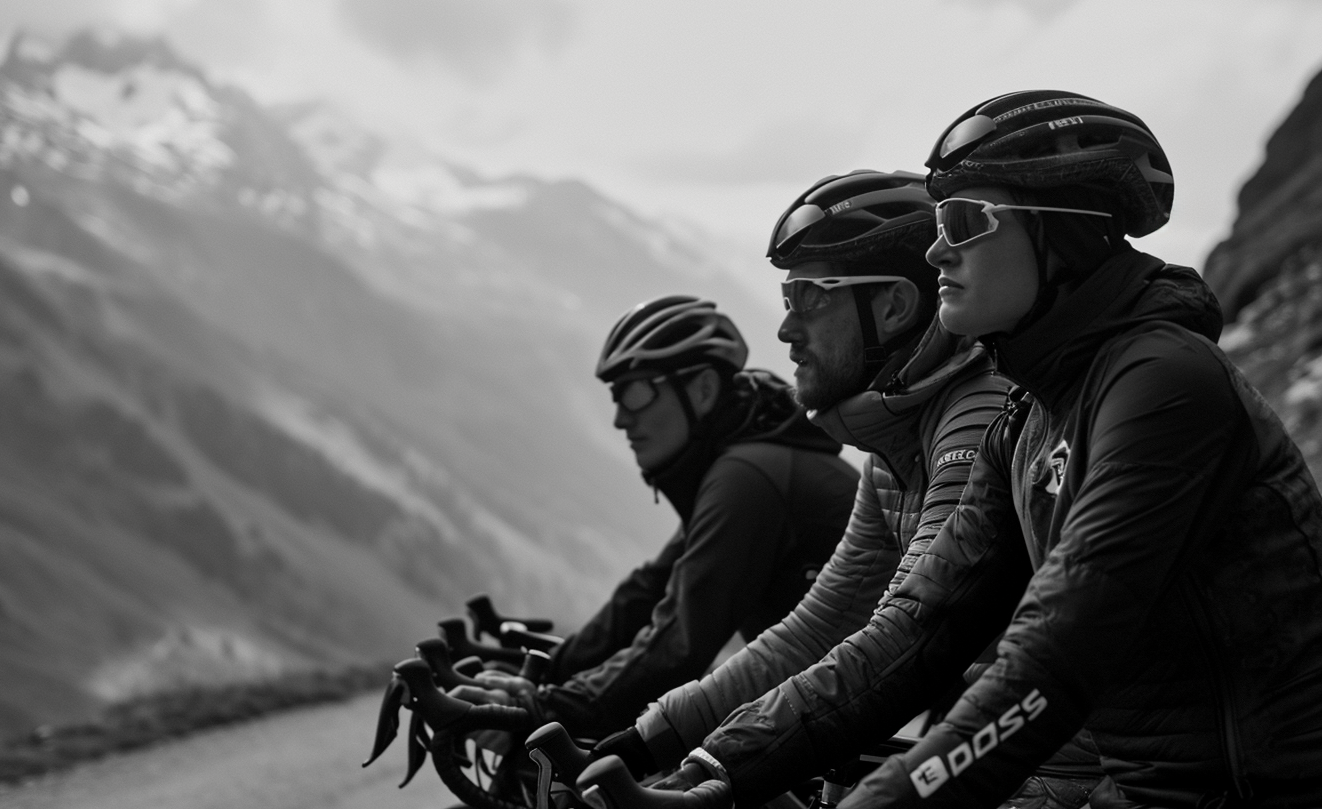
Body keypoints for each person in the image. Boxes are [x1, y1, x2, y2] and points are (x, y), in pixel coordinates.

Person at [644, 92, 1322, 808]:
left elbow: (1055, 656)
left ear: (1064, 233)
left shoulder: (1163, 386)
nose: (936, 248)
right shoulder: (1030, 414)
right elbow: (917, 635)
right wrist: (716, 767)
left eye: (965, 221)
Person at [595, 173, 1097, 807]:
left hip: (1065, 772)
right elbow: (816, 629)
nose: (783, 330)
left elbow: (905, 634)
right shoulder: (895, 447)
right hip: (999, 757)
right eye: (785, 296)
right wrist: (644, 742)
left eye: (809, 297)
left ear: (891, 306)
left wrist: (709, 764)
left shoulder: (975, 416)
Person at [454, 295, 858, 739]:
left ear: (702, 390)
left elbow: (680, 641)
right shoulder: (745, 461)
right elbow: (649, 591)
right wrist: (552, 671)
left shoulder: (748, 476)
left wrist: (548, 708)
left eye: (636, 392)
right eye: (615, 395)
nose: (620, 418)